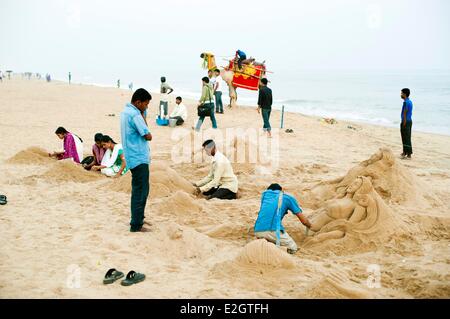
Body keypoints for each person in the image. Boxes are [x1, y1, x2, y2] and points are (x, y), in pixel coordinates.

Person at [120, 88, 153, 232]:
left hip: (131, 156)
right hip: (139, 157)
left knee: (138, 190)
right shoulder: (135, 115)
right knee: (141, 191)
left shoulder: (125, 112)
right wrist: (142, 115)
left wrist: (142, 112)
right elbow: (148, 135)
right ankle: (136, 224)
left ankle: (139, 218)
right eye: (146, 104)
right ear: (138, 102)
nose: (147, 107)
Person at [254, 184, 312, 254]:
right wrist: (310, 226)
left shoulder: (265, 196)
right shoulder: (287, 198)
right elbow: (304, 221)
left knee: (271, 245)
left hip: (257, 231)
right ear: (281, 190)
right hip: (273, 230)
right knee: (293, 248)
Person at [400, 88, 413, 160]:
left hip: (406, 121)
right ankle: (405, 152)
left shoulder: (406, 102)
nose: (401, 95)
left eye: (401, 93)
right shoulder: (409, 101)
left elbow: (405, 113)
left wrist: (403, 123)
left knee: (405, 138)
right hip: (409, 121)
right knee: (407, 137)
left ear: (405, 94)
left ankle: (408, 154)